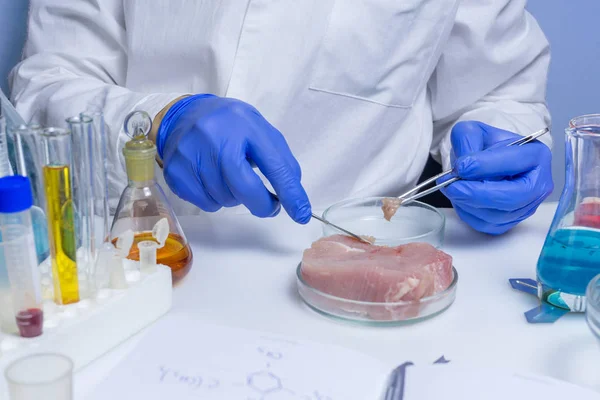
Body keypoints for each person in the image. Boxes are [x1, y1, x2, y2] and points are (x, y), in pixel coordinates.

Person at [9, 0, 553, 235]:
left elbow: (499, 90)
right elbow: (45, 87)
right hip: (134, 252)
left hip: (362, 264)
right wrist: (157, 122)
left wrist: (502, 138)